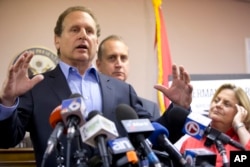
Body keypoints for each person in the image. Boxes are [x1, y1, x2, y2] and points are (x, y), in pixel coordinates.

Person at [0, 6, 192, 167]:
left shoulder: (122, 90)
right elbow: (8, 139)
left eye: (89, 31)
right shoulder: (37, 87)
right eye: (75, 29)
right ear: (56, 40)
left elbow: (152, 138)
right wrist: (8, 101)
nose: (83, 35)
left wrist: (179, 109)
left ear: (96, 42)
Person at [179, 83, 250, 167]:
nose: (218, 105)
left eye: (226, 104)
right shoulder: (190, 142)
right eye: (216, 100)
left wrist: (239, 125)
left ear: (240, 112)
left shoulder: (241, 143)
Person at [96, 35, 160, 119]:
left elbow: (161, 131)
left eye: (123, 58)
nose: (119, 64)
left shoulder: (151, 108)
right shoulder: (95, 101)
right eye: (112, 58)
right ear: (98, 64)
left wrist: (177, 104)